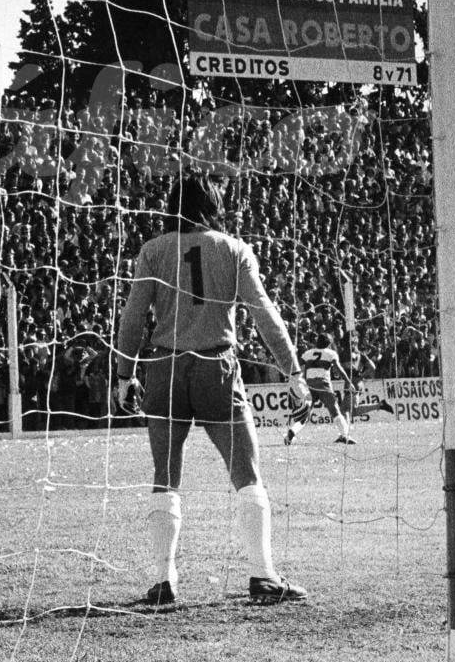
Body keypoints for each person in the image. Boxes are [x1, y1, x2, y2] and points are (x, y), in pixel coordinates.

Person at [117, 174, 310, 605]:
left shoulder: (152, 250)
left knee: (165, 475)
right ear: (215, 204)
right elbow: (264, 313)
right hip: (217, 367)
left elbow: (133, 318)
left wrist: (124, 373)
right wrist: (293, 371)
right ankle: (262, 576)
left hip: (164, 367)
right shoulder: (235, 249)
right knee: (247, 472)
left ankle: (164, 581)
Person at [285, 334, 394, 445]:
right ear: (328, 344)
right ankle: (345, 435)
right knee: (336, 411)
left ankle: (291, 432)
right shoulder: (331, 353)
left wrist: (298, 383)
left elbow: (300, 370)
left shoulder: (307, 353)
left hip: (310, 385)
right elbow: (339, 369)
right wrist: (348, 381)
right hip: (324, 385)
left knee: (306, 413)